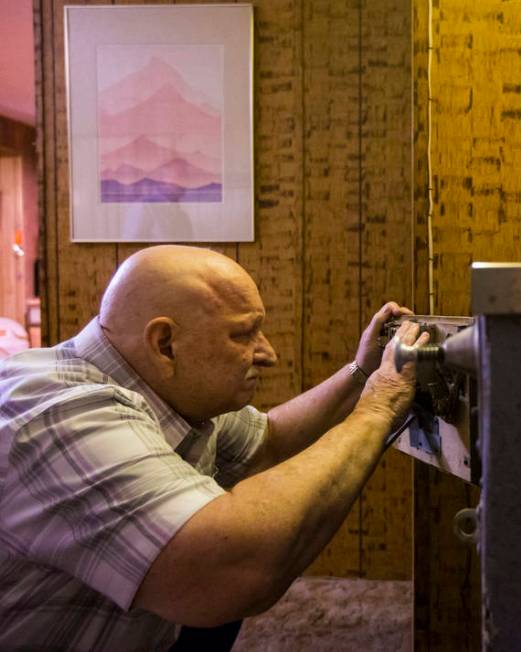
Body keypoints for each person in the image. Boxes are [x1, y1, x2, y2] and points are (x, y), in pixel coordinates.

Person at [0, 245, 428, 651]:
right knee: (220, 566)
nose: (268, 354)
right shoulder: (63, 415)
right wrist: (378, 407)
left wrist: (362, 373)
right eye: (244, 334)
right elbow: (229, 574)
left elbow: (269, 442)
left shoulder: (163, 384)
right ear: (164, 343)